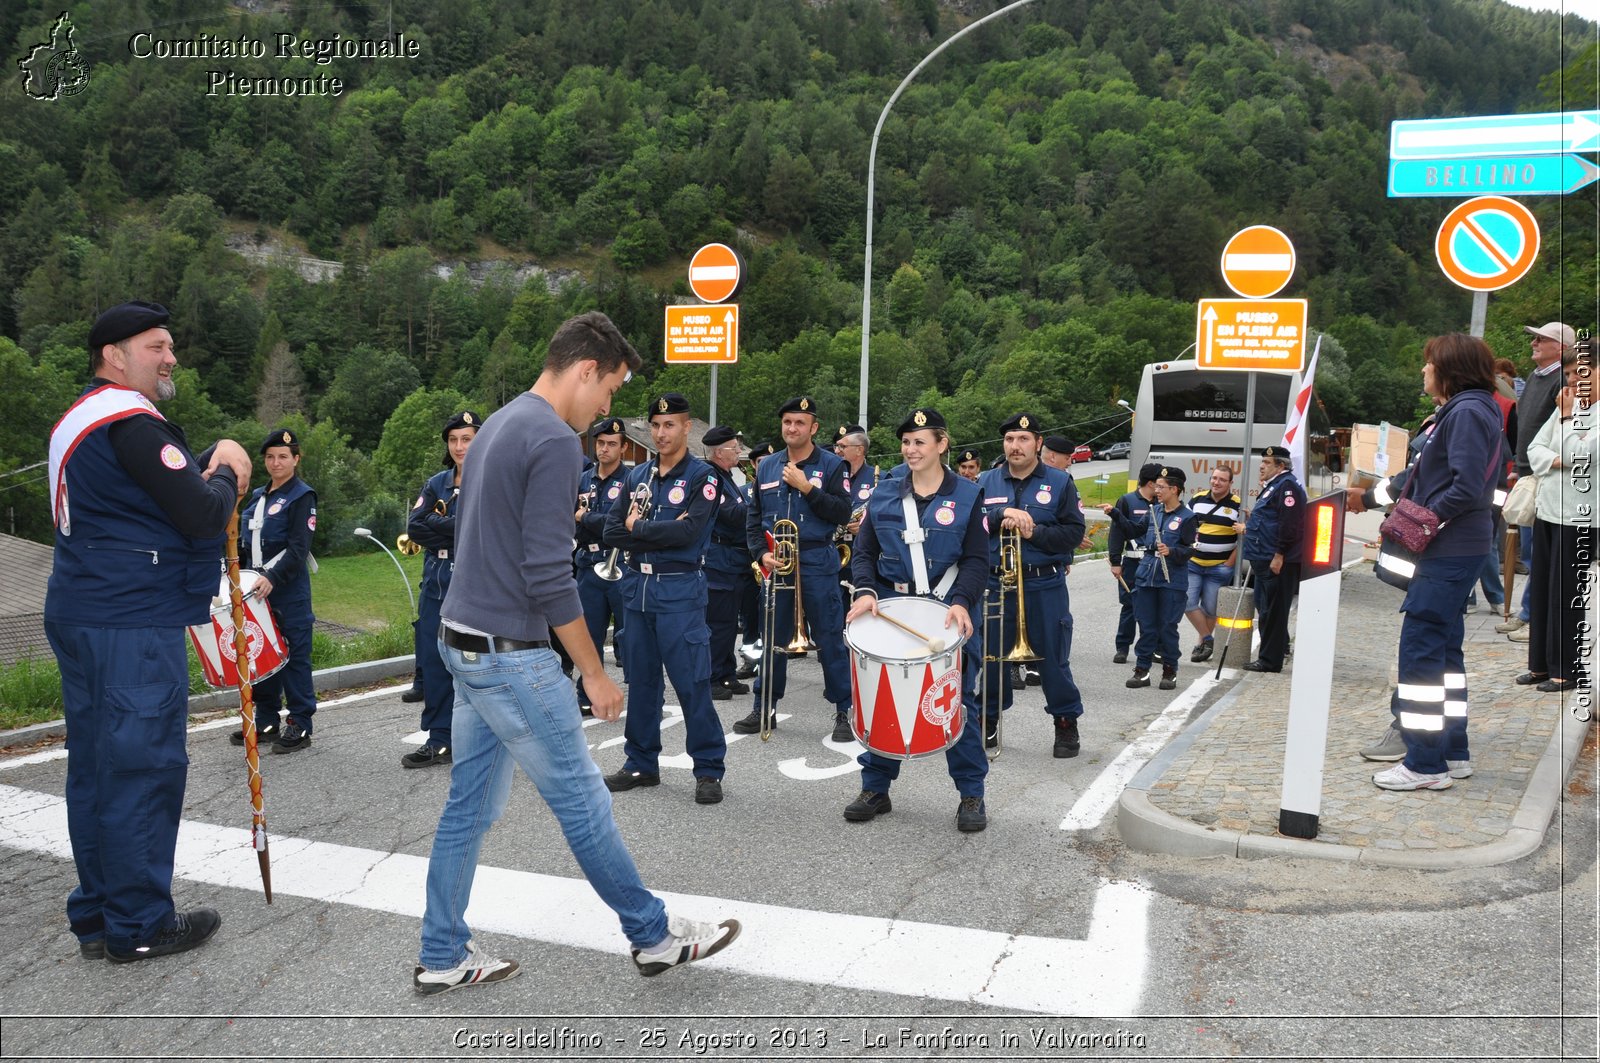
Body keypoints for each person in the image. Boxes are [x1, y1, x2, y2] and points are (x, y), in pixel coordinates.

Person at [417, 312, 739, 994]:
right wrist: (593, 671)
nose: (608, 408)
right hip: (511, 653)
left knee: (468, 806)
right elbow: (545, 570)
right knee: (582, 798)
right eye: (611, 389)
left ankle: (443, 949)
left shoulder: (502, 421)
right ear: (586, 368)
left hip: (463, 642)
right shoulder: (555, 441)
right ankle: (652, 935)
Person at [46, 300, 251, 962]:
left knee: (98, 767)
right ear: (115, 355)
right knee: (143, 764)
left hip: (83, 606)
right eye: (156, 347)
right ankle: (138, 921)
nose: (170, 358)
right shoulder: (130, 421)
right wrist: (226, 470)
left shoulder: (78, 419)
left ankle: (100, 914)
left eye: (171, 346)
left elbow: (140, 497)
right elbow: (196, 514)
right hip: (131, 616)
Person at [1360, 334, 1503, 790]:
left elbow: (1465, 488)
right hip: (1461, 547)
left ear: (1449, 368)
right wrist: (1368, 497)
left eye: (1428, 364)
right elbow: (1429, 473)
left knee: (1421, 652)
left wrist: (1424, 520)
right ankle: (1452, 751)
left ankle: (1424, 765)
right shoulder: (1472, 409)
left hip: (1450, 548)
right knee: (1444, 652)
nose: (1423, 371)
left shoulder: (1464, 412)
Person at [842, 407, 990, 831]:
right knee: (880, 695)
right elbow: (865, 552)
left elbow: (978, 559)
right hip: (893, 611)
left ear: (942, 444)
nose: (911, 449)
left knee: (955, 701)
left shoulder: (967, 495)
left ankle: (971, 793)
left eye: (920, 442)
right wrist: (867, 591)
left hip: (947, 612)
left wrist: (962, 601)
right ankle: (876, 787)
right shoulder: (885, 494)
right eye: (906, 442)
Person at [600, 393, 727, 803]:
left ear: (687, 428)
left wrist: (638, 530)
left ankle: (708, 769)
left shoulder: (702, 477)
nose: (660, 433)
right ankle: (640, 762)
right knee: (642, 681)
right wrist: (644, 530)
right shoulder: (638, 477)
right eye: (655, 425)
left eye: (669, 425)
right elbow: (610, 532)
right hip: (636, 589)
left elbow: (690, 534)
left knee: (692, 682)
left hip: (680, 590)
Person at [738, 396, 854, 742]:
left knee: (830, 637)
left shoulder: (832, 466)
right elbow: (754, 518)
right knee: (772, 636)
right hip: (779, 562)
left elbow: (842, 512)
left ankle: (843, 710)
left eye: (800, 423)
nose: (792, 428)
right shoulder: (768, 466)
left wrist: (807, 488)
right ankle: (765, 706)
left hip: (817, 561)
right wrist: (760, 554)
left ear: (813, 428)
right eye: (787, 422)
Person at [976, 412, 1089, 758]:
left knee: (1053, 658)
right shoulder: (985, 480)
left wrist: (1035, 532)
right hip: (997, 585)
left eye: (1023, 439)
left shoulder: (1059, 482)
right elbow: (972, 527)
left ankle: (1065, 722)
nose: (1015, 446)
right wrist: (998, 516)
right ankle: (989, 719)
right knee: (992, 658)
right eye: (1010, 439)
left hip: (1043, 585)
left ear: (1038, 443)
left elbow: (1074, 532)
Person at [400, 410, 480, 768]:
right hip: (436, 582)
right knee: (434, 663)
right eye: (454, 440)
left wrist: (440, 522)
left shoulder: (490, 481)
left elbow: (482, 529)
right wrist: (451, 525)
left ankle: (483, 737)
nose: (460, 446)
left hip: (475, 583)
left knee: (476, 664)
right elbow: (416, 527)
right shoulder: (437, 483)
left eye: (467, 438)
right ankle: (439, 739)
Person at [1522, 336, 1596, 694]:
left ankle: (1566, 669)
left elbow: (1586, 455)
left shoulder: (1575, 410)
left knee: (1566, 595)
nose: (1569, 383)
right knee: (1541, 590)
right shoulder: (1567, 405)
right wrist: (1557, 458)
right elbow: (1536, 447)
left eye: (1576, 374)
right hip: (1549, 508)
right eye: (1566, 375)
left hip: (1580, 517)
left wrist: (1566, 423)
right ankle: (1539, 665)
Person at [236, 428, 318, 753]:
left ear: (296, 459)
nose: (276, 462)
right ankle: (267, 718)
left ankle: (299, 722)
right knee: (261, 655)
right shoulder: (257, 497)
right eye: (270, 457)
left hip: (286, 589)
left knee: (295, 657)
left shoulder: (302, 496)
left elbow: (299, 548)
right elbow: (245, 545)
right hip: (255, 591)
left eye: (283, 456)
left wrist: (271, 575)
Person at [1500, 321, 1574, 641]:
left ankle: (1534, 617)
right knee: (1530, 547)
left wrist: (1534, 463)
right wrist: (1518, 464)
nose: (1534, 344)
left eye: (1542, 340)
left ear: (1560, 347)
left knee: (1536, 550)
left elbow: (1556, 430)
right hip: (1529, 468)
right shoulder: (1536, 377)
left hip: (1548, 472)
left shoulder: (1562, 379)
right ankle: (1528, 612)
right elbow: (1526, 425)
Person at [574, 417, 634, 712]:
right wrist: (587, 524)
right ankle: (587, 694)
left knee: (632, 634)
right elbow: (568, 517)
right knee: (588, 634)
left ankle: (641, 692)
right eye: (600, 443)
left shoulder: (632, 480)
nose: (605, 449)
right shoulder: (583, 479)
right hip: (588, 564)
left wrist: (586, 519)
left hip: (621, 564)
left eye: (612, 444)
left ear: (623, 448)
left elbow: (619, 525)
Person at [1127, 468, 1197, 690]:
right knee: (1146, 625)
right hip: (1147, 576)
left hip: (1172, 579)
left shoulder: (1188, 517)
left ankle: (1169, 670)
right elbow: (1135, 530)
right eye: (1155, 486)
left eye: (1160, 487)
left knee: (1167, 626)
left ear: (1174, 489)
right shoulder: (1153, 511)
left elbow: (1190, 549)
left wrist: (1173, 552)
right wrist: (1115, 515)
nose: (1156, 490)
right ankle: (1142, 669)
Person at [1239, 445, 1305, 674]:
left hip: (1275, 561)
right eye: (1262, 462)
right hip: (1262, 559)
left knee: (1274, 612)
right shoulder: (1274, 487)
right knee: (1266, 611)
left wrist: (1279, 555)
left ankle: (1270, 660)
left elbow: (1290, 526)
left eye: (1267, 463)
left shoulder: (1286, 488)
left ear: (1281, 466)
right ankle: (1267, 656)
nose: (1261, 466)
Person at [702, 426, 753, 701]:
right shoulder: (711, 477)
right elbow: (730, 513)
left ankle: (726, 673)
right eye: (735, 448)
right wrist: (758, 503)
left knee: (729, 622)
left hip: (733, 560)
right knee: (718, 622)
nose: (739, 452)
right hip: (718, 561)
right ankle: (711, 677)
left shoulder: (727, 477)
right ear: (719, 453)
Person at [1100, 463, 1160, 664]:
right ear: (1151, 483)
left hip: (1154, 563)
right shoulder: (1127, 500)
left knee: (1153, 607)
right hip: (1133, 562)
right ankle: (1123, 648)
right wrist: (1116, 561)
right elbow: (1117, 532)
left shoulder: (1162, 502)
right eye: (1159, 482)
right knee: (1129, 606)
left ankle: (1151, 648)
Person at [1184, 465, 1243, 663]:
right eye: (1214, 478)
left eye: (1222, 480)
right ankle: (1209, 639)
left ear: (1230, 483)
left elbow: (1242, 539)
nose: (1216, 482)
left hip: (1219, 567)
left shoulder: (1237, 506)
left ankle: (1201, 644)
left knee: (1210, 609)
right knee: (1187, 602)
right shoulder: (1197, 499)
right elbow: (1184, 526)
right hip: (1193, 563)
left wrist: (1230, 563)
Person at [833, 424, 877, 613]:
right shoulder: (831, 476)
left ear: (859, 450)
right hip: (832, 553)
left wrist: (866, 525)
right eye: (837, 446)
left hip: (861, 558)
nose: (837, 451)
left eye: (842, 447)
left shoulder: (879, 479)